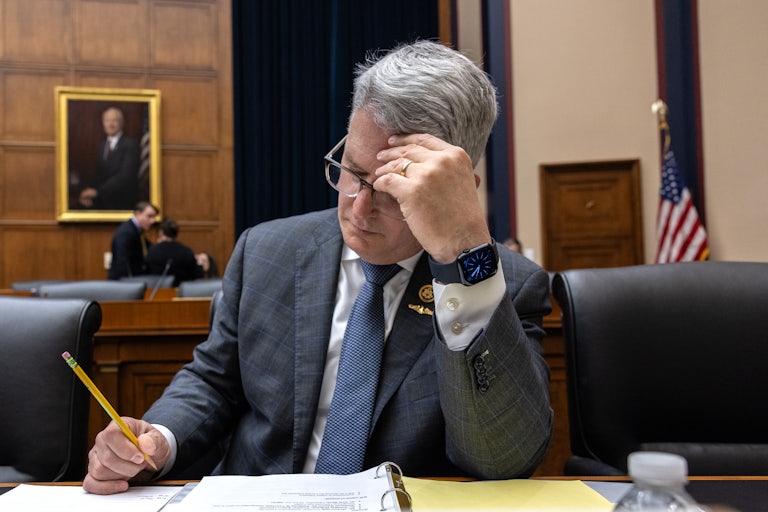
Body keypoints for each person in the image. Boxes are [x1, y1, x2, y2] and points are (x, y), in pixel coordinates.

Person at [84, 40, 553, 495]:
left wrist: (461, 255)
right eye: (352, 170)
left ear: (457, 190)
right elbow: (215, 382)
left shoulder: (504, 287)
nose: (358, 207)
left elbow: (501, 457)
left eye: (393, 190)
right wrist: (157, 442)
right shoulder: (267, 251)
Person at [79, 107, 140, 210]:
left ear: (121, 123)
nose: (110, 124)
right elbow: (98, 175)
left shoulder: (131, 144)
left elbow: (125, 176)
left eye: (114, 120)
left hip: (122, 202)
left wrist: (97, 192)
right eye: (107, 120)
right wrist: (88, 193)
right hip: (102, 200)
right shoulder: (102, 145)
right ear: (103, 123)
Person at [144, 217, 204, 286]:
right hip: (180, 292)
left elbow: (145, 273)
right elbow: (197, 275)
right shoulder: (186, 252)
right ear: (176, 233)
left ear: (161, 232)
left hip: (157, 292)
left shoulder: (152, 251)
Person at [108, 201, 158, 280]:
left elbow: (149, 248)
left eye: (154, 217)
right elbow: (122, 261)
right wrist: (129, 283)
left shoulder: (136, 230)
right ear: (138, 214)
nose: (153, 221)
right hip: (123, 283)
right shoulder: (126, 232)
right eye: (149, 216)